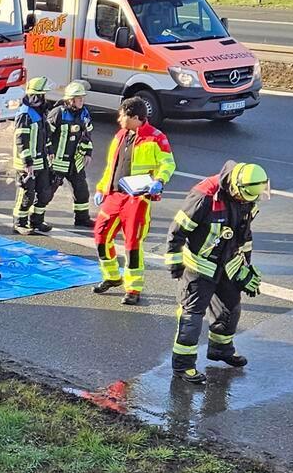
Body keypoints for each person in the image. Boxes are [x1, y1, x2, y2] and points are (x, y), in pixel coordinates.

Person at [166, 161, 270, 385]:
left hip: (228, 264)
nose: (247, 202)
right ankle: (183, 366)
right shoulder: (204, 197)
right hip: (200, 265)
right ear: (235, 186)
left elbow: (245, 235)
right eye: (245, 197)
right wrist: (176, 265)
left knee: (230, 308)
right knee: (192, 316)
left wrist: (245, 267)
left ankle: (220, 350)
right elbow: (177, 231)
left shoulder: (247, 198)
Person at [89, 95, 177, 305]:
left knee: (132, 245)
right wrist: (102, 188)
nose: (119, 120)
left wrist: (160, 180)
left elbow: (168, 164)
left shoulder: (156, 138)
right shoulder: (121, 135)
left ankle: (134, 288)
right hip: (114, 196)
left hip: (137, 199)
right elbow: (112, 166)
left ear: (136, 117)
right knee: (101, 238)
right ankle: (111, 277)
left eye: (122, 116)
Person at [46, 80, 98, 229]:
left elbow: (87, 134)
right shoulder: (58, 114)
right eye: (79, 98)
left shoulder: (84, 113)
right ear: (70, 100)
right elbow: (46, 135)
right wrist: (49, 153)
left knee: (82, 191)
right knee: (47, 192)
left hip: (75, 161)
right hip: (58, 161)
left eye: (83, 98)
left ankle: (82, 218)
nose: (82, 101)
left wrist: (88, 152)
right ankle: (35, 218)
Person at [11, 76, 54, 233]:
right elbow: (22, 139)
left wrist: (49, 152)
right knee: (27, 193)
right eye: (41, 95)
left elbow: (45, 135)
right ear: (34, 96)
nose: (44, 99)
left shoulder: (39, 112)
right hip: (27, 163)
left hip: (41, 160)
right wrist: (27, 162)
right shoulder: (25, 114)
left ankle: (37, 221)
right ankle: (19, 223)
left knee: (44, 192)